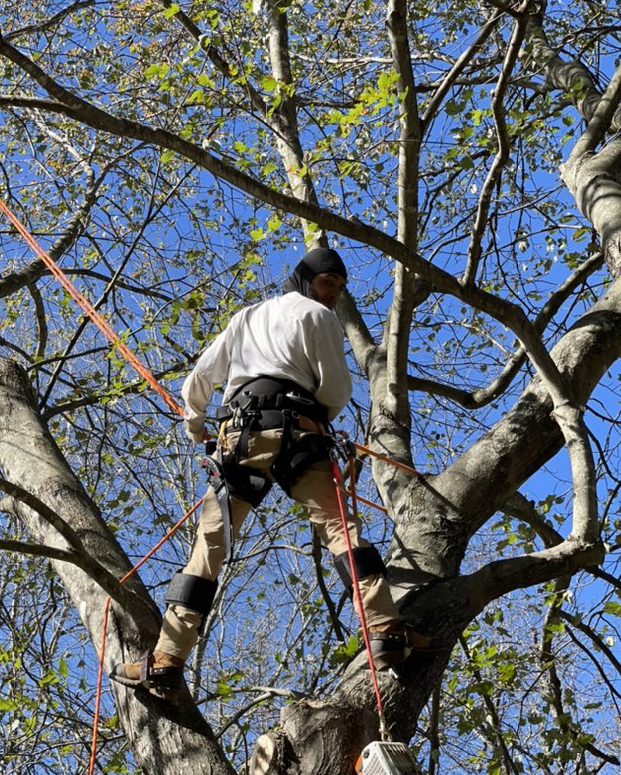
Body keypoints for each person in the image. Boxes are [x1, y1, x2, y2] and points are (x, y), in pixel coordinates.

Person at [113, 248, 417, 692]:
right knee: (340, 531)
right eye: (328, 283)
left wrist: (195, 423)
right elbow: (336, 388)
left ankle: (167, 658)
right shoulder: (317, 317)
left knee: (210, 546)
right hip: (300, 438)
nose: (333, 294)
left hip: (242, 440)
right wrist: (319, 417)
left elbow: (200, 376)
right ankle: (384, 628)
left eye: (338, 287)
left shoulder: (246, 317)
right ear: (307, 280)